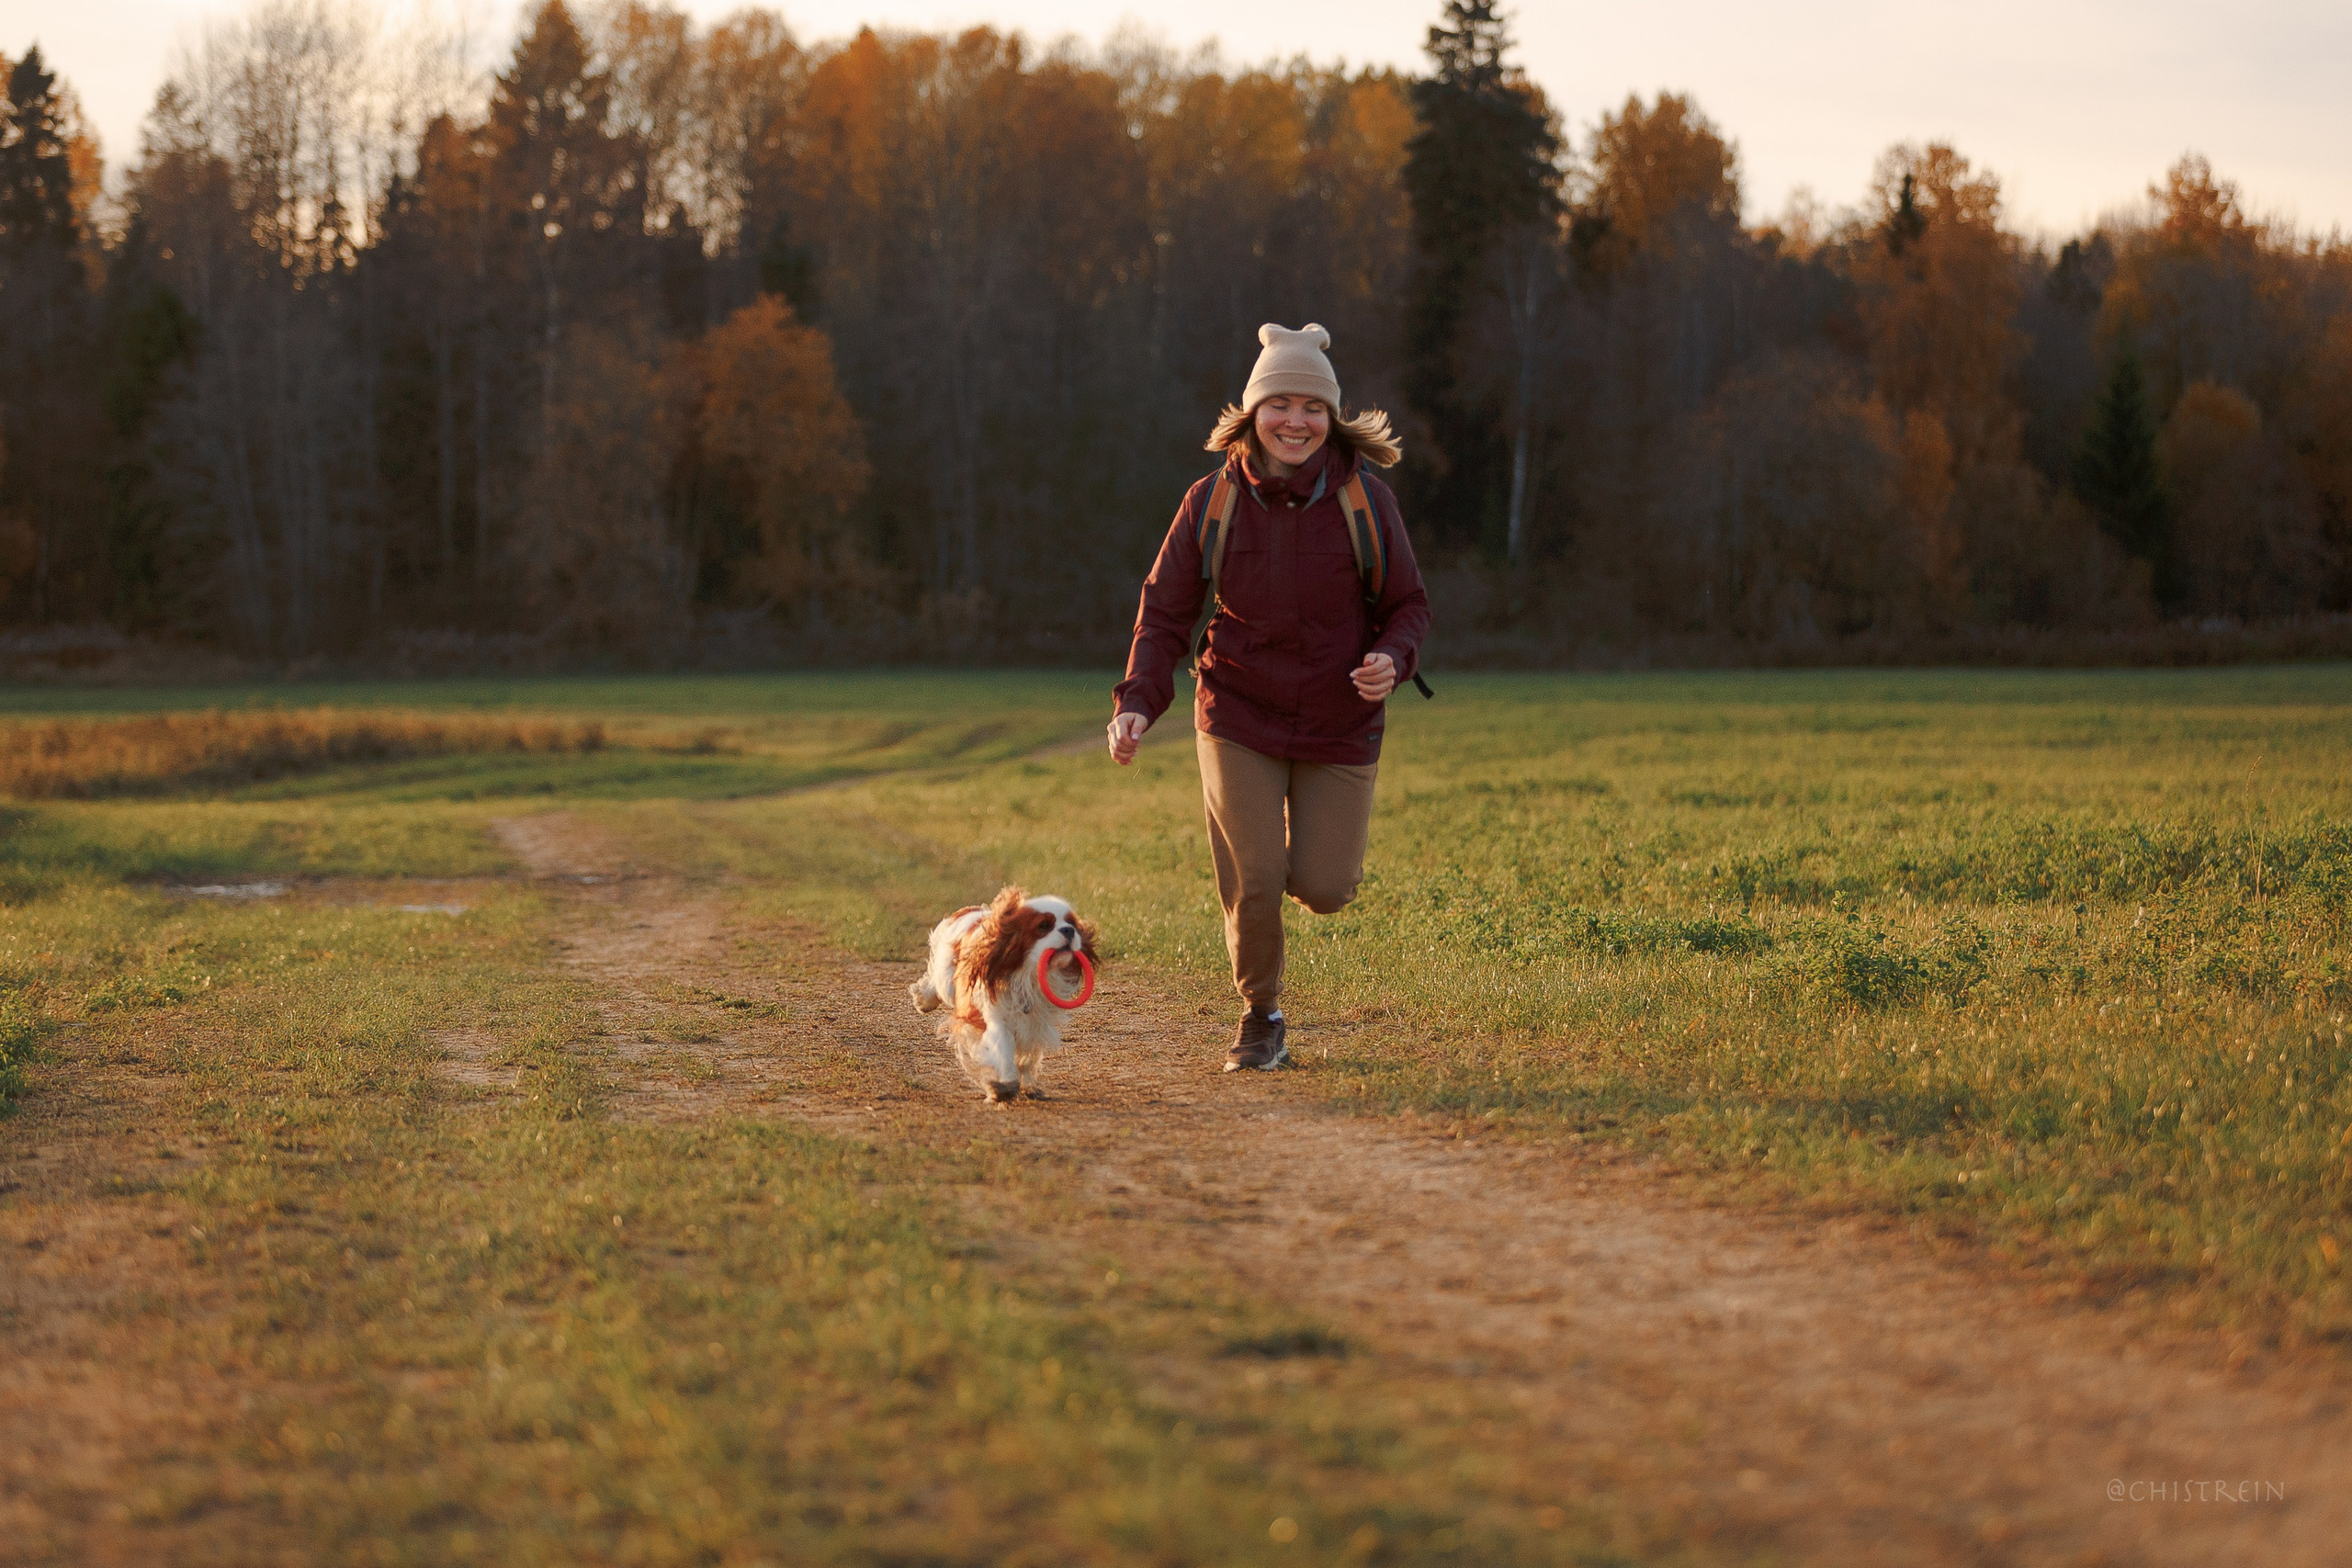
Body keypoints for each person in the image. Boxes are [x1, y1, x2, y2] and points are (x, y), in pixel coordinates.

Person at [1108, 323, 1430, 1072]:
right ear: (1253, 413)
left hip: (1338, 718)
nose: (1296, 420)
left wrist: (1391, 655)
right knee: (1255, 876)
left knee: (1324, 886)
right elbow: (1164, 610)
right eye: (1278, 402)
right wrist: (1137, 700)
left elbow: (1410, 603)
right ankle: (1261, 1016)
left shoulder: (1366, 503)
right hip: (1238, 710)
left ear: (1332, 415)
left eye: (1311, 406)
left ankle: (1282, 895)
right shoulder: (1211, 501)